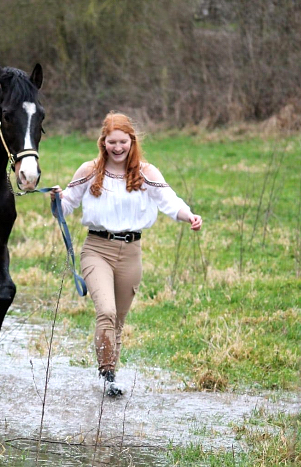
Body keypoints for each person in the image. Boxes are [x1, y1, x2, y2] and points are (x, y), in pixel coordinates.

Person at [51, 111, 202, 397]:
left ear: (131, 142)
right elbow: (66, 206)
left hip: (131, 252)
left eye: (123, 142)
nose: (117, 148)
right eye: (112, 142)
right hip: (97, 249)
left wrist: (190, 216)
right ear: (103, 142)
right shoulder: (89, 170)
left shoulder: (146, 172)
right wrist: (56, 199)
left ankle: (111, 375)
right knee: (105, 312)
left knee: (118, 320)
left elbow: (170, 201)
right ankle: (107, 374)